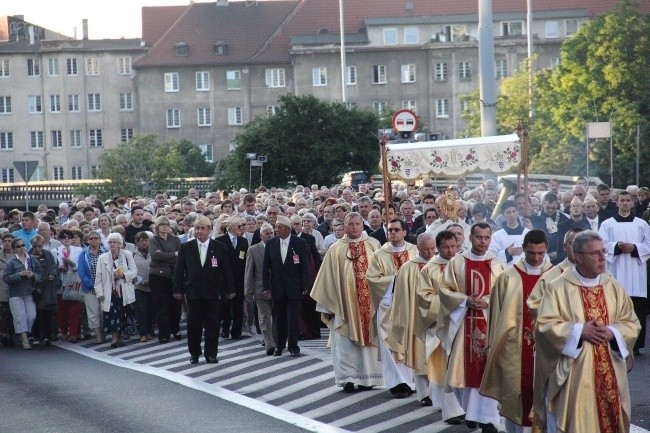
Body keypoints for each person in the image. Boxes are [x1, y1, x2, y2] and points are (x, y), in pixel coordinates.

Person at [533, 231, 640, 433]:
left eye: (603, 252)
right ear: (579, 257)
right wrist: (578, 332)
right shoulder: (557, 288)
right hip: (575, 373)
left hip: (610, 369)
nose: (602, 258)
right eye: (595, 254)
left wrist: (612, 333)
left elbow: (631, 322)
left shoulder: (613, 286)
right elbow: (545, 325)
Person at [480, 230, 553, 433]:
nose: (536, 258)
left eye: (540, 253)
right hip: (514, 349)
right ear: (524, 250)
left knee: (547, 401)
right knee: (514, 399)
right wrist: (492, 348)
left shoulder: (558, 278)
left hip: (547, 351)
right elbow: (495, 316)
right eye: (531, 253)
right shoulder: (507, 277)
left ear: (546, 249)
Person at [438, 222, 504, 433]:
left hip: (490, 324)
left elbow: (505, 294)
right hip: (463, 323)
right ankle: (471, 412)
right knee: (462, 371)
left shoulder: (497, 265)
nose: (482, 242)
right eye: (478, 237)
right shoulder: (457, 263)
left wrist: (486, 301)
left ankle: (488, 420)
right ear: (470, 238)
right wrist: (464, 300)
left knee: (488, 371)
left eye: (486, 238)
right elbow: (444, 289)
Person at [310, 212, 384, 392]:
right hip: (344, 305)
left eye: (357, 224)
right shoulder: (336, 249)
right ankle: (348, 378)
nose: (354, 227)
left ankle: (368, 379)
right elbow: (326, 280)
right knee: (344, 343)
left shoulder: (374, 245)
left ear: (362, 224)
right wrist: (327, 306)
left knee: (369, 342)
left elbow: (383, 273)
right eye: (350, 224)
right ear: (344, 226)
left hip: (370, 304)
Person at [366, 218, 418, 398]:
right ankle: (397, 383)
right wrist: (396, 279)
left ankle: (412, 381)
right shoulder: (379, 255)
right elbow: (372, 279)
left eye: (396, 229)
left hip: (411, 305)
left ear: (405, 232)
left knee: (408, 343)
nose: (393, 233)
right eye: (390, 230)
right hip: (388, 306)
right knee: (389, 344)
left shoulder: (415, 251)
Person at [173, 216, 235, 364]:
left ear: (209, 230)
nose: (199, 231)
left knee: (212, 325)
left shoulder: (219, 247)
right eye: (197, 228)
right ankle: (194, 353)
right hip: (193, 291)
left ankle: (211, 354)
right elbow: (179, 270)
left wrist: (230, 289)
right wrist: (178, 289)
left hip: (212, 292)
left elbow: (226, 269)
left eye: (202, 228)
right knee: (193, 324)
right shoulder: (186, 247)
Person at [418, 230, 465, 424]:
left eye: (453, 246)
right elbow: (424, 298)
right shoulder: (429, 269)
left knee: (463, 366)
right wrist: (449, 303)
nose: (450, 250)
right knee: (446, 367)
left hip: (464, 322)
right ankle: (451, 411)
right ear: (438, 248)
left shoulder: (464, 264)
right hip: (441, 325)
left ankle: (468, 409)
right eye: (445, 247)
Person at [385, 232, 437, 406]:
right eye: (425, 249)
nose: (430, 253)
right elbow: (400, 299)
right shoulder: (408, 268)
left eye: (432, 249)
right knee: (420, 356)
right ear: (418, 248)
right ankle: (424, 394)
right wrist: (403, 321)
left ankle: (439, 393)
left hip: (438, 319)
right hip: (417, 320)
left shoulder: (441, 265)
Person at [598, 190, 650, 356]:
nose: (625, 203)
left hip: (636, 273)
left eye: (628, 200)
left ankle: (635, 345)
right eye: (622, 200)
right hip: (616, 271)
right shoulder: (607, 224)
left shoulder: (642, 224)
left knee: (637, 309)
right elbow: (602, 245)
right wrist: (616, 246)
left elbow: (648, 245)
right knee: (616, 307)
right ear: (617, 202)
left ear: (632, 202)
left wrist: (635, 248)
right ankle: (615, 341)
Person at [263, 215, 311, 357]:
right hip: (277, 288)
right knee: (279, 319)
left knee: (293, 319)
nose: (276, 229)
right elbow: (266, 268)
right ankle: (279, 345)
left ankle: (293, 346)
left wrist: (306, 285)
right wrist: (266, 287)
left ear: (287, 229)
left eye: (279, 227)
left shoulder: (300, 243)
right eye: (275, 226)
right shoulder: (271, 244)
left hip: (294, 287)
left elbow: (305, 266)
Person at [94, 233, 137, 348]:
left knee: (123, 314)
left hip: (124, 291)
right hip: (110, 291)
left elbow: (134, 272)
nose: (112, 244)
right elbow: (98, 277)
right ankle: (114, 339)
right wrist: (99, 292)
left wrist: (123, 275)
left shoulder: (127, 255)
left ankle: (121, 337)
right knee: (112, 315)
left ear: (120, 244)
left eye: (115, 242)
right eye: (110, 242)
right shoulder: (102, 258)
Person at [3, 237, 43, 349]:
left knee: (31, 316)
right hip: (15, 293)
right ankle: (24, 338)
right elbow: (6, 278)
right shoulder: (11, 262)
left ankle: (24, 332)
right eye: (18, 246)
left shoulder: (32, 260)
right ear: (14, 249)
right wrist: (19, 274)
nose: (21, 248)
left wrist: (32, 275)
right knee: (19, 316)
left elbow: (40, 275)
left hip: (29, 292)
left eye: (23, 245)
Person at [149, 216, 182, 344]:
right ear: (157, 226)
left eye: (166, 224)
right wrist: (173, 255)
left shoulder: (175, 239)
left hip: (174, 276)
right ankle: (164, 333)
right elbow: (155, 256)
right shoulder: (154, 240)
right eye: (161, 224)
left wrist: (165, 256)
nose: (164, 227)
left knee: (175, 305)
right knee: (161, 306)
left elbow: (181, 255)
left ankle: (175, 328)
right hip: (158, 276)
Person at [245, 222, 275, 354]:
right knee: (264, 317)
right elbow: (249, 271)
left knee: (276, 316)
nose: (269, 235)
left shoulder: (278, 247)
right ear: (261, 235)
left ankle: (276, 339)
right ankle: (269, 343)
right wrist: (248, 291)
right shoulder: (253, 249)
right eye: (266, 233)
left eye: (271, 233)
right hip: (260, 290)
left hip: (276, 289)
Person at [216, 215, 248, 339]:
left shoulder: (243, 241)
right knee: (225, 305)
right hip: (224, 279)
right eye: (238, 225)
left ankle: (236, 331)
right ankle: (225, 328)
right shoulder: (220, 241)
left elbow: (244, 259)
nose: (241, 228)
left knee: (238, 306)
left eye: (242, 226)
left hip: (239, 278)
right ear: (230, 227)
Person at [29, 235, 59, 346]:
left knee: (47, 312)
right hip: (34, 286)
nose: (38, 249)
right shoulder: (28, 255)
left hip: (47, 287)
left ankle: (47, 336)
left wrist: (52, 274)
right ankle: (36, 335)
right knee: (35, 312)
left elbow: (53, 267)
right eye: (35, 246)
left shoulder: (48, 254)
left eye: (40, 246)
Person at [78, 230, 107, 344]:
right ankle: (97, 333)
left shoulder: (105, 252)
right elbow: (81, 272)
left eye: (96, 238)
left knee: (103, 311)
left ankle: (102, 330)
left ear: (100, 240)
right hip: (90, 288)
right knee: (93, 312)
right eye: (91, 239)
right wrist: (91, 285)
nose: (94, 241)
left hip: (104, 287)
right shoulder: (84, 254)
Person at [56, 228, 84, 343]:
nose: (66, 239)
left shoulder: (79, 250)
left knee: (74, 310)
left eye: (69, 237)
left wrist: (71, 263)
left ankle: (73, 333)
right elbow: (53, 267)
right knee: (62, 310)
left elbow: (80, 266)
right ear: (60, 239)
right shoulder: (55, 251)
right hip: (61, 282)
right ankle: (63, 332)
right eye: (64, 237)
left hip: (74, 282)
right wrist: (59, 269)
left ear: (73, 239)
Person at [489, 200, 529, 266]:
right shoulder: (497, 236)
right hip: (506, 272)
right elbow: (492, 257)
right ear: (503, 215)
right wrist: (507, 253)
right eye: (508, 212)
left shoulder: (527, 233)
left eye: (514, 211)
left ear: (517, 212)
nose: (512, 215)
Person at [133, 231, 154, 342]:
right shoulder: (132, 253)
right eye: (141, 240)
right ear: (137, 242)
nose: (144, 243)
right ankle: (143, 333)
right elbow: (130, 270)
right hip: (138, 286)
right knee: (141, 309)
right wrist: (139, 280)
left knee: (151, 309)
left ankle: (150, 330)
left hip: (152, 285)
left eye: (146, 240)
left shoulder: (153, 252)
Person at [0, 233, 16, 346]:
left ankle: (12, 335)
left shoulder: (18, 256)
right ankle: (4, 334)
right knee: (3, 313)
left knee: (13, 313)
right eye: (5, 240)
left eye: (9, 240)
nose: (7, 243)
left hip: (15, 289)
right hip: (2, 288)